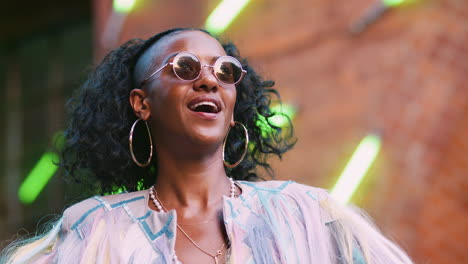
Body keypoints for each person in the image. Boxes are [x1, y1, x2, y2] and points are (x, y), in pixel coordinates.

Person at [1, 28, 413, 264]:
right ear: (141, 104)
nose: (209, 80)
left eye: (225, 72)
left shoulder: (306, 214)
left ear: (233, 110)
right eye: (184, 67)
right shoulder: (96, 230)